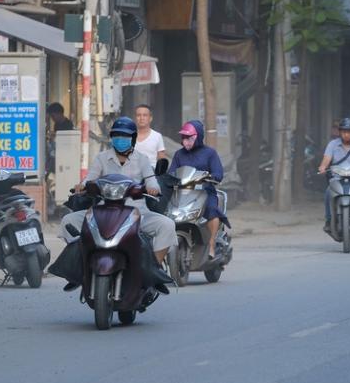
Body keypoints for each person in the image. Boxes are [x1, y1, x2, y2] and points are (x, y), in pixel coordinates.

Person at [59, 116, 177, 266]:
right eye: (117, 135)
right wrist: (82, 185)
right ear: (112, 138)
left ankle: (155, 266)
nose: (121, 139)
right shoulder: (101, 158)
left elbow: (151, 179)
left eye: (125, 136)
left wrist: (153, 188)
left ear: (133, 138)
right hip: (102, 211)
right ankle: (83, 262)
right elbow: (90, 178)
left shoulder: (142, 159)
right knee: (68, 221)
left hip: (137, 212)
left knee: (167, 225)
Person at [169, 120, 230, 261]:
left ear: (199, 136)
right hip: (183, 193)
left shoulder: (210, 153)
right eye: (184, 138)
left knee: (212, 211)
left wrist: (212, 177)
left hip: (205, 191)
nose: (186, 142)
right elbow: (172, 172)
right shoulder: (179, 154)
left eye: (190, 138)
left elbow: (218, 173)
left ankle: (212, 243)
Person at [133, 104, 166, 169]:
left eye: (145, 115)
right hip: (132, 175)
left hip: (152, 175)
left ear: (150, 118)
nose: (141, 118)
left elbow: (162, 161)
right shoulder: (129, 136)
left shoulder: (157, 136)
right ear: (135, 118)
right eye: (138, 115)